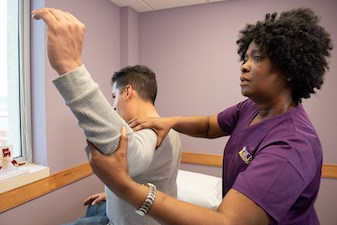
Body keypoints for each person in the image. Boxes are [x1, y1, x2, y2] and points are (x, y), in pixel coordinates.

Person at [85, 8, 333, 225]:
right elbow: (208, 126)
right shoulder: (252, 108)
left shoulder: (291, 145)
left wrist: (123, 186)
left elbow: (228, 222)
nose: (244, 66)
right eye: (245, 57)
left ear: (289, 69)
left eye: (257, 58)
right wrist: (169, 121)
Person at [32, 8, 182, 225]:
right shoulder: (171, 131)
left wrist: (70, 67)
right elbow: (151, 179)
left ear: (128, 92)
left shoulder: (156, 132)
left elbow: (132, 158)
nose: (113, 106)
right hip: (115, 213)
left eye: (115, 96)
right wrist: (111, 196)